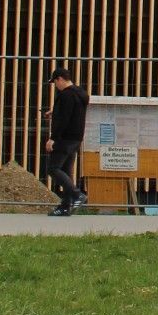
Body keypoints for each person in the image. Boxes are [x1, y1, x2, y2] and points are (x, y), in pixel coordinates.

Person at [44, 66, 90, 216]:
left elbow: (64, 119)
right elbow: (72, 112)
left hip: (64, 138)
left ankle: (77, 194)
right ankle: (65, 206)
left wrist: (53, 138)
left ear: (60, 79)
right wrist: (55, 112)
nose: (55, 86)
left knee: (53, 168)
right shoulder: (80, 93)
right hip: (76, 138)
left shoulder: (65, 95)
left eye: (55, 82)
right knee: (66, 171)